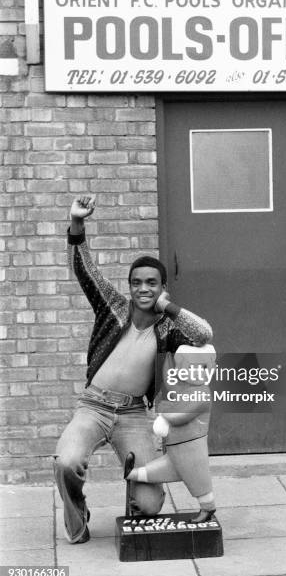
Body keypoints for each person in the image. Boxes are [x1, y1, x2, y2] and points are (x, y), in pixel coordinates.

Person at [54, 195, 213, 544]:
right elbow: (85, 270)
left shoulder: (166, 329)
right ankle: (77, 517)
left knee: (150, 502)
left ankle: (133, 517)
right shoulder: (112, 307)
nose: (143, 288)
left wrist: (166, 307)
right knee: (66, 461)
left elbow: (203, 333)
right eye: (137, 282)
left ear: (162, 287)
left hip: (133, 414)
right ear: (129, 286)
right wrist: (77, 223)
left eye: (151, 283)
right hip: (93, 407)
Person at [124, 344, 217, 523]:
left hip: (191, 447)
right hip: (176, 449)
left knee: (197, 479)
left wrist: (164, 411)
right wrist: (167, 357)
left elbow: (179, 417)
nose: (198, 372)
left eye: (203, 368)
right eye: (193, 368)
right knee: (165, 469)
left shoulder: (202, 394)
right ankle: (131, 474)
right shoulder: (186, 389)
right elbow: (170, 383)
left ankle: (208, 508)